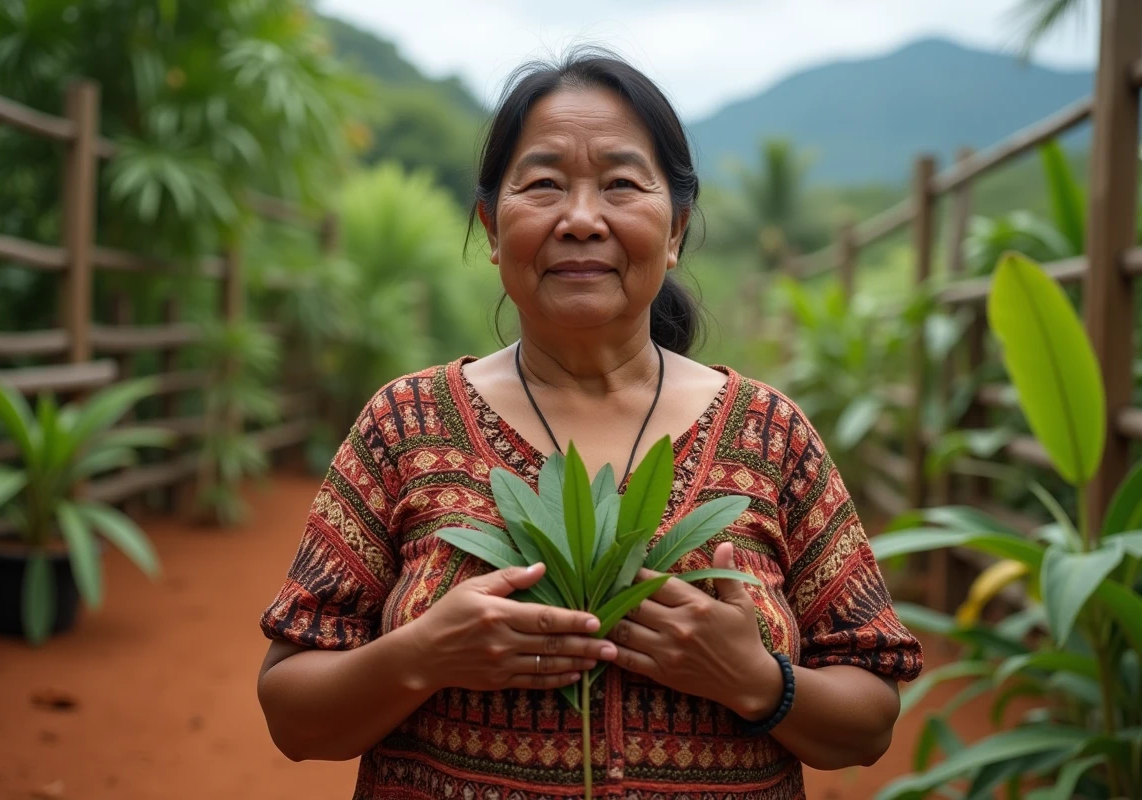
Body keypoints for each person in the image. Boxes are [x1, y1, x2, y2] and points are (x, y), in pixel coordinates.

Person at [256, 47, 923, 800]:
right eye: (543, 184)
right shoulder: (405, 424)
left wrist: (755, 680)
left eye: (620, 184)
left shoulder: (770, 433)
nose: (579, 220)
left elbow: (869, 722)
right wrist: (423, 655)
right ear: (491, 227)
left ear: (675, 229)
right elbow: (293, 716)